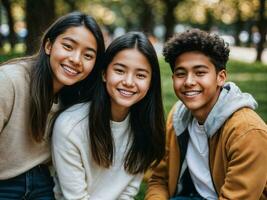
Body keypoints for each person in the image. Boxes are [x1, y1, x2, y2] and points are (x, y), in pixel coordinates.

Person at [145, 29, 267, 200]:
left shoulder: (248, 132)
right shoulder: (178, 117)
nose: (189, 82)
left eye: (200, 72)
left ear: (221, 77)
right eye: (181, 74)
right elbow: (160, 178)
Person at [0, 11, 105, 199]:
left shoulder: (77, 97)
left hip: (43, 183)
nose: (75, 59)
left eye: (88, 56)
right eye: (68, 46)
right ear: (48, 45)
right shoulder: (9, 81)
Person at [52, 31, 166, 199]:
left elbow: (127, 193)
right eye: (120, 70)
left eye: (140, 75)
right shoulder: (70, 125)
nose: (128, 82)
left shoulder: (146, 128)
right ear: (104, 73)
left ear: (150, 82)